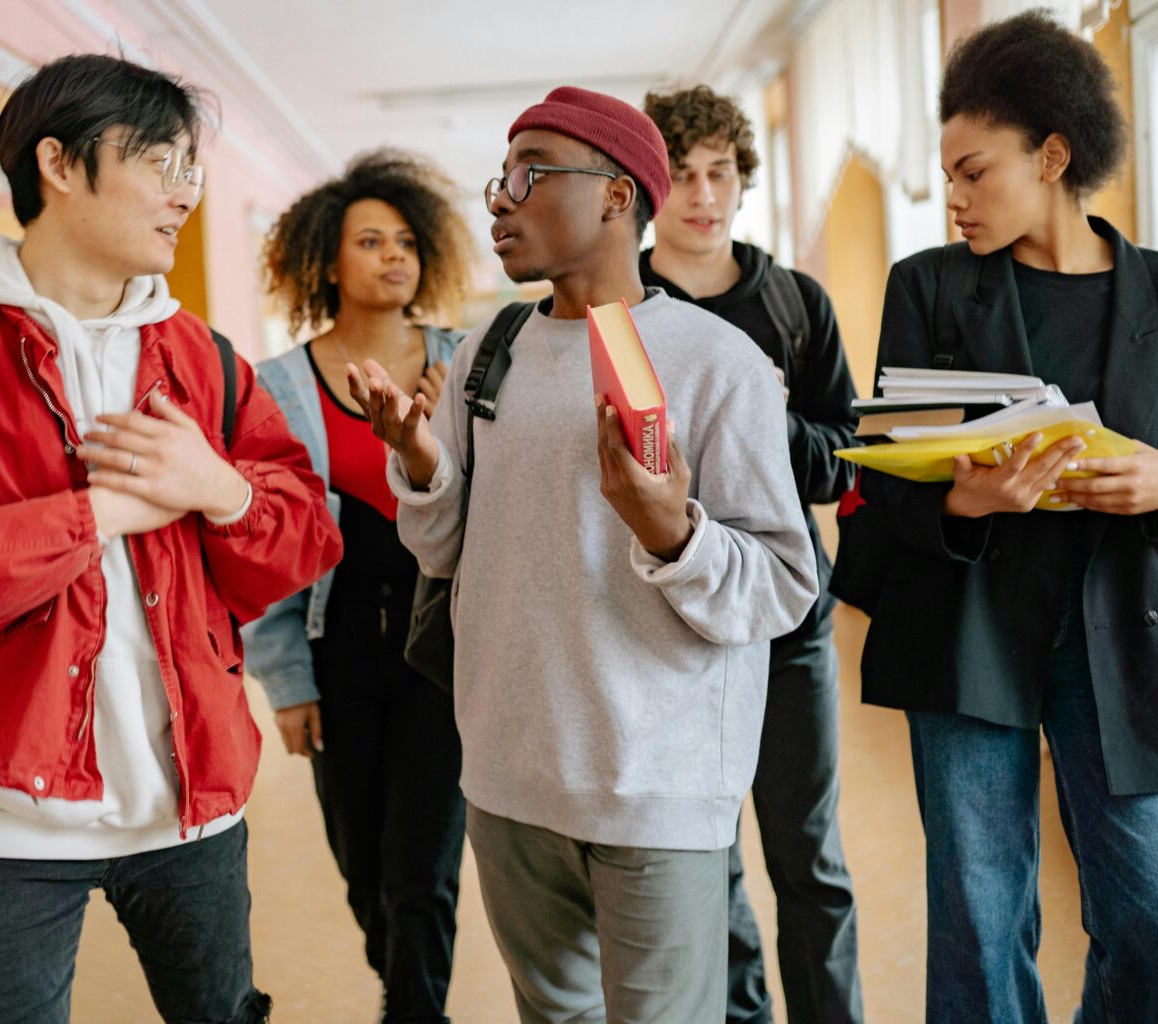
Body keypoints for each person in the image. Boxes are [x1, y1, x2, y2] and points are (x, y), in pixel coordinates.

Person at [0, 54, 342, 1024]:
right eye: (159, 162)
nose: (184, 194)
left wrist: (221, 489)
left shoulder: (197, 355)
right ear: (59, 165)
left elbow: (302, 538)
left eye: (191, 170)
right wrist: (104, 512)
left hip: (191, 791)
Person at [349, 85, 819, 1024]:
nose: (500, 199)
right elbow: (442, 553)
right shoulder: (492, 350)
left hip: (657, 790)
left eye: (530, 175)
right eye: (499, 178)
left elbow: (782, 587)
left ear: (617, 195)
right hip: (510, 779)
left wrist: (670, 532)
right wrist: (419, 462)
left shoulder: (716, 362)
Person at [858, 13, 1158, 1023]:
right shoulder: (927, 288)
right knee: (980, 917)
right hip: (968, 625)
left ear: (1052, 154)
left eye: (972, 171)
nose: (953, 198)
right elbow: (888, 475)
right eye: (945, 175)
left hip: (1121, 626)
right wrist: (963, 496)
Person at [640, 83, 863, 1024]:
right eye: (681, 173)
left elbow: (843, 460)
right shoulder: (620, 304)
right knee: (709, 855)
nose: (702, 192)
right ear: (650, 186)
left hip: (786, 618)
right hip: (668, 621)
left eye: (719, 171)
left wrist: (764, 415)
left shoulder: (795, 302)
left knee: (808, 855)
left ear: (742, 179)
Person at [244, 149, 474, 1024]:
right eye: (369, 241)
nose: (393, 257)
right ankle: (402, 983)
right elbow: (266, 550)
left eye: (406, 241)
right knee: (362, 859)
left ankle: (416, 1011)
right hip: (332, 650)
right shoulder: (278, 387)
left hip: (441, 651)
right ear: (325, 263)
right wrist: (286, 685)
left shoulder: (464, 364)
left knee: (427, 865)